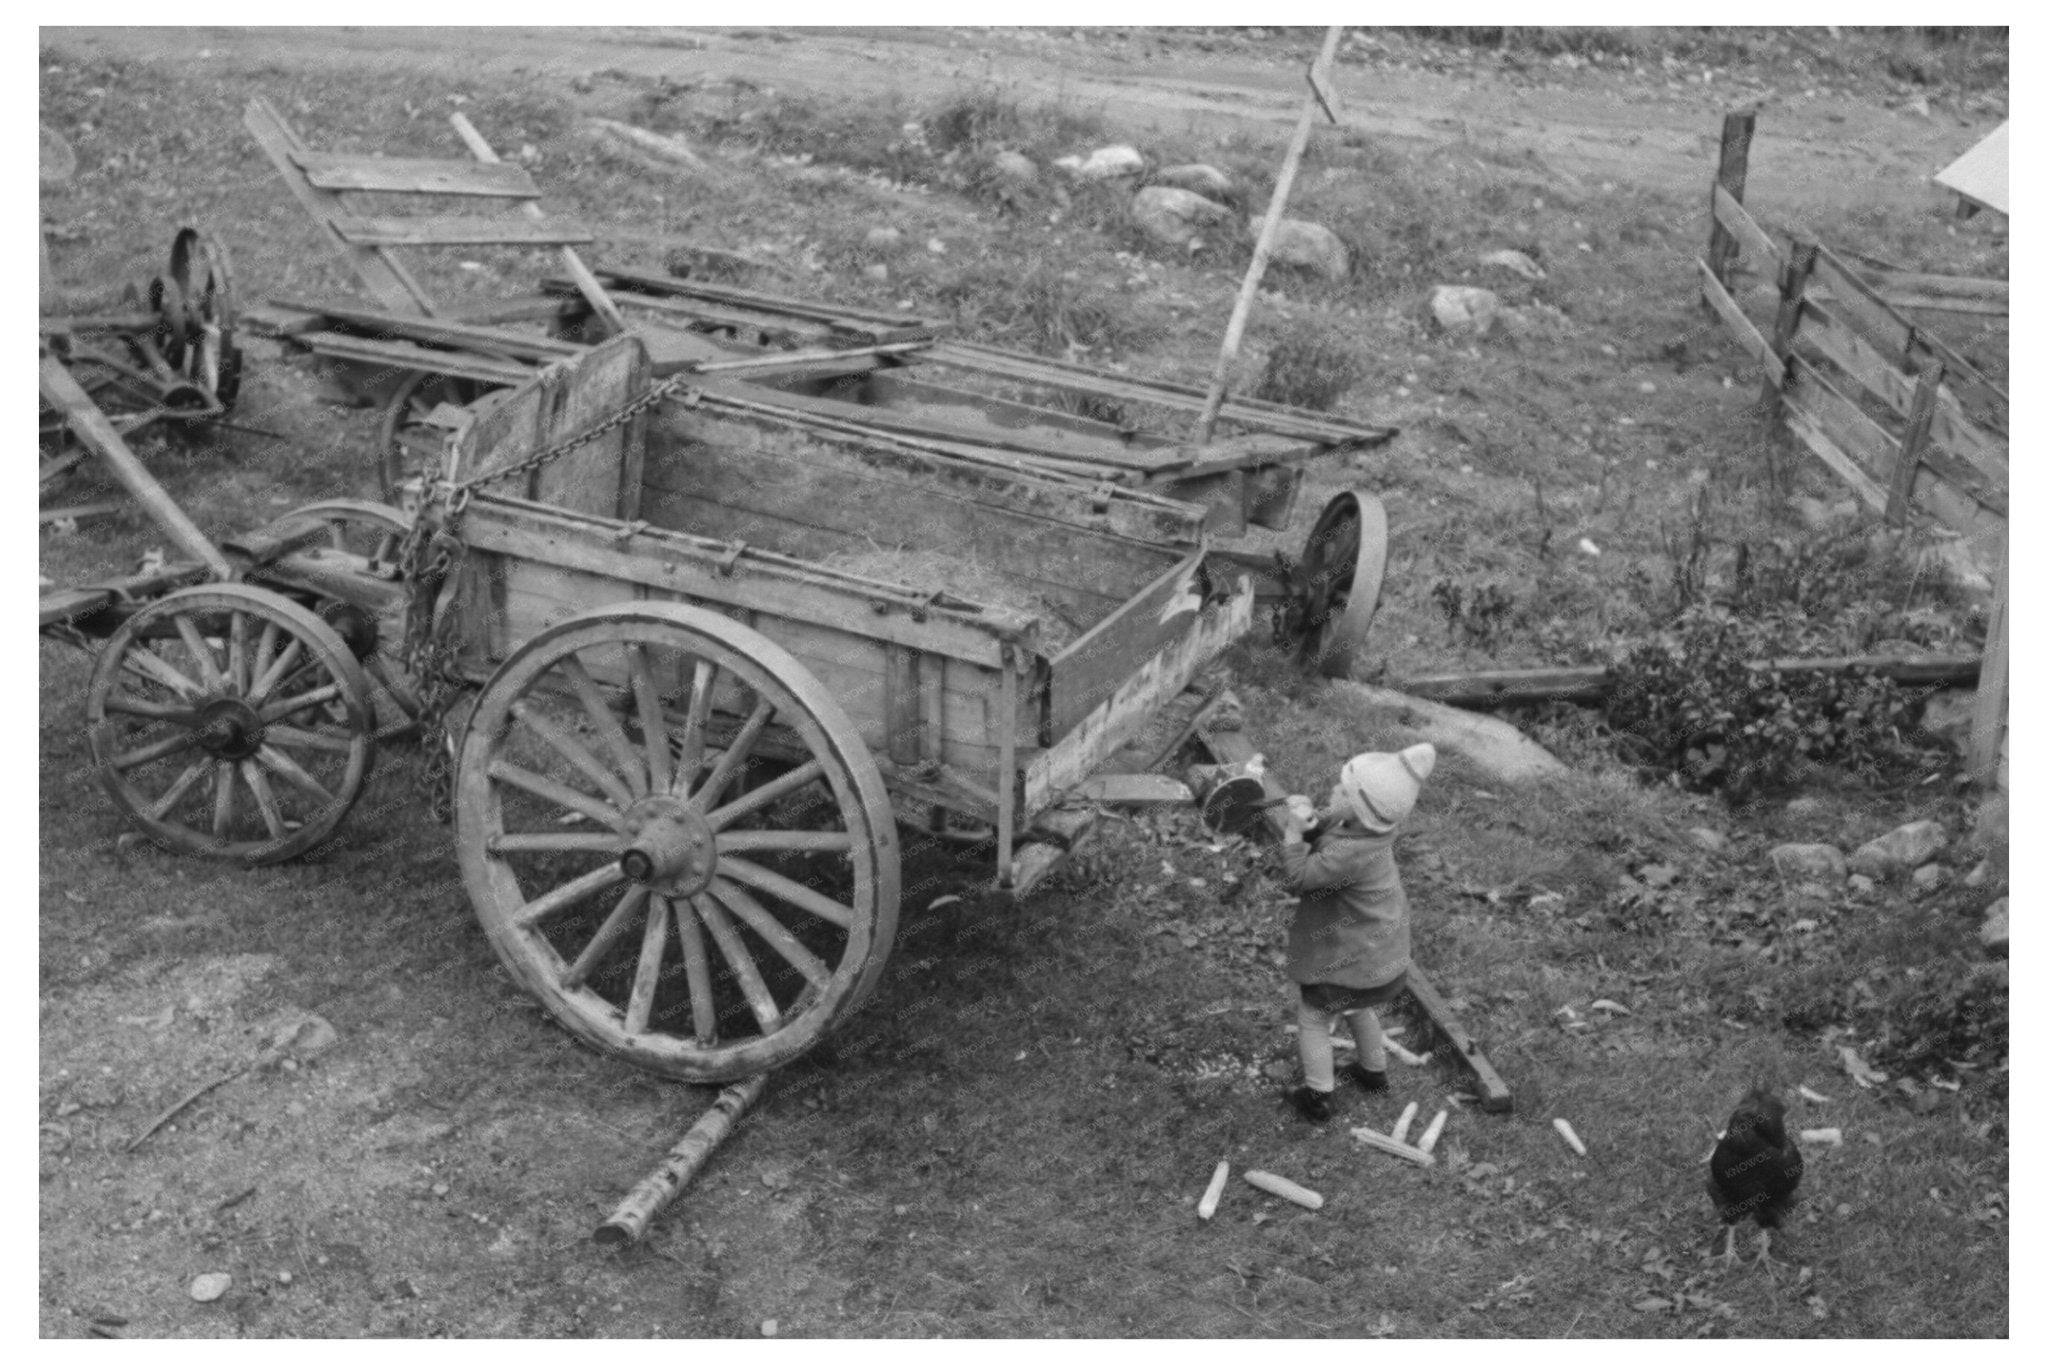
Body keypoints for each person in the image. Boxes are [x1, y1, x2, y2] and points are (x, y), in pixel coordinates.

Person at [1274, 743, 1436, 1122]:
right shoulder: (1370, 834)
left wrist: (1293, 834)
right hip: (1379, 964)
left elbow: (1300, 877)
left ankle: (1318, 1095)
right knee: (1358, 1006)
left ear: (1359, 808)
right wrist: (1313, 823)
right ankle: (1373, 1071)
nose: (1333, 790)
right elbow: (1333, 834)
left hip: (1351, 965)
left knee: (1314, 1016)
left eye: (1342, 790)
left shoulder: (1351, 852)